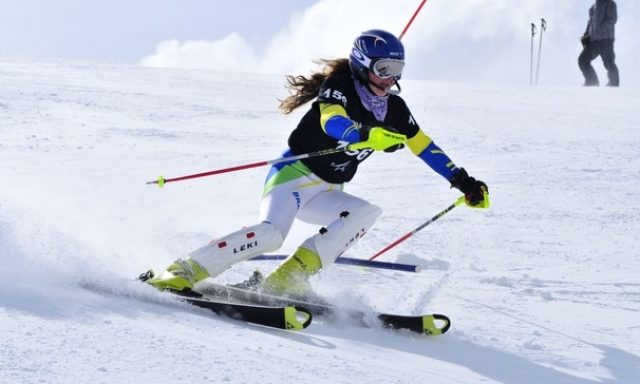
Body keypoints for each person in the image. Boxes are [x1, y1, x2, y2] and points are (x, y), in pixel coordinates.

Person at [144, 29, 489, 296]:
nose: (390, 78)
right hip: (292, 178)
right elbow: (332, 121)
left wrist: (463, 182)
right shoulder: (339, 87)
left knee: (366, 212)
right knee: (271, 235)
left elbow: (424, 147)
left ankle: (289, 278)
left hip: (327, 189)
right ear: (363, 65)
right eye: (383, 68)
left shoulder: (395, 109)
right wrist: (364, 134)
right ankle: (184, 269)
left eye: (397, 69)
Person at [578, 0, 619, 86]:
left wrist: (599, 30)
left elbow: (612, 20)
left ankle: (614, 85)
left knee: (609, 63)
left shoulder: (610, 4)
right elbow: (590, 23)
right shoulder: (593, 7)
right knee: (582, 60)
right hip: (594, 42)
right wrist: (586, 35)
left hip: (606, 40)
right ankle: (592, 82)